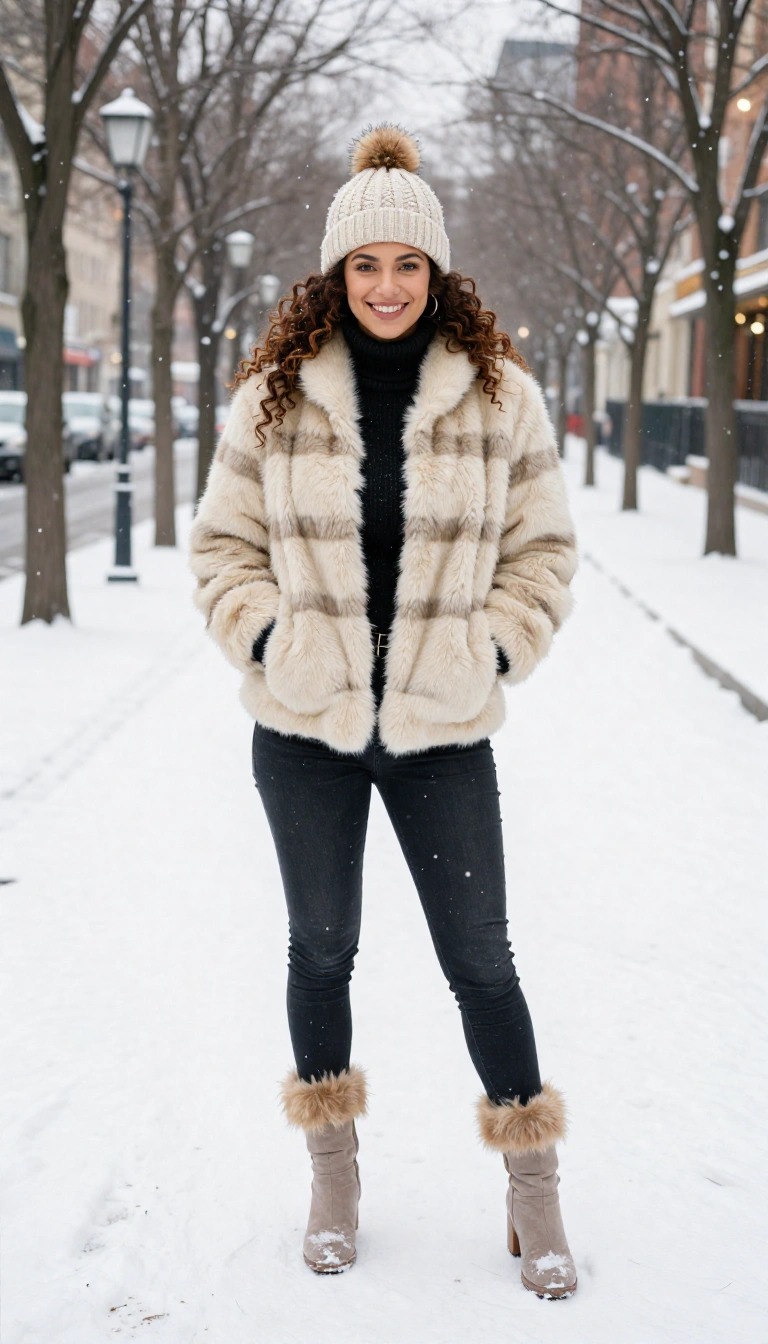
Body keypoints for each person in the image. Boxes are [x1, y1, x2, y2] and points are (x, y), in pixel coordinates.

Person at [189, 125, 579, 1297]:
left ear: (437, 272)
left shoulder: (499, 398)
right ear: (336, 274)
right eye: (367, 265)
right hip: (303, 732)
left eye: (408, 264)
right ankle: (334, 1177)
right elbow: (221, 551)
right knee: (320, 950)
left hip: (441, 732)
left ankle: (534, 1187)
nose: (388, 285)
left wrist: (489, 648)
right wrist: (275, 640)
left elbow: (544, 554)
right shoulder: (274, 398)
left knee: (482, 959)